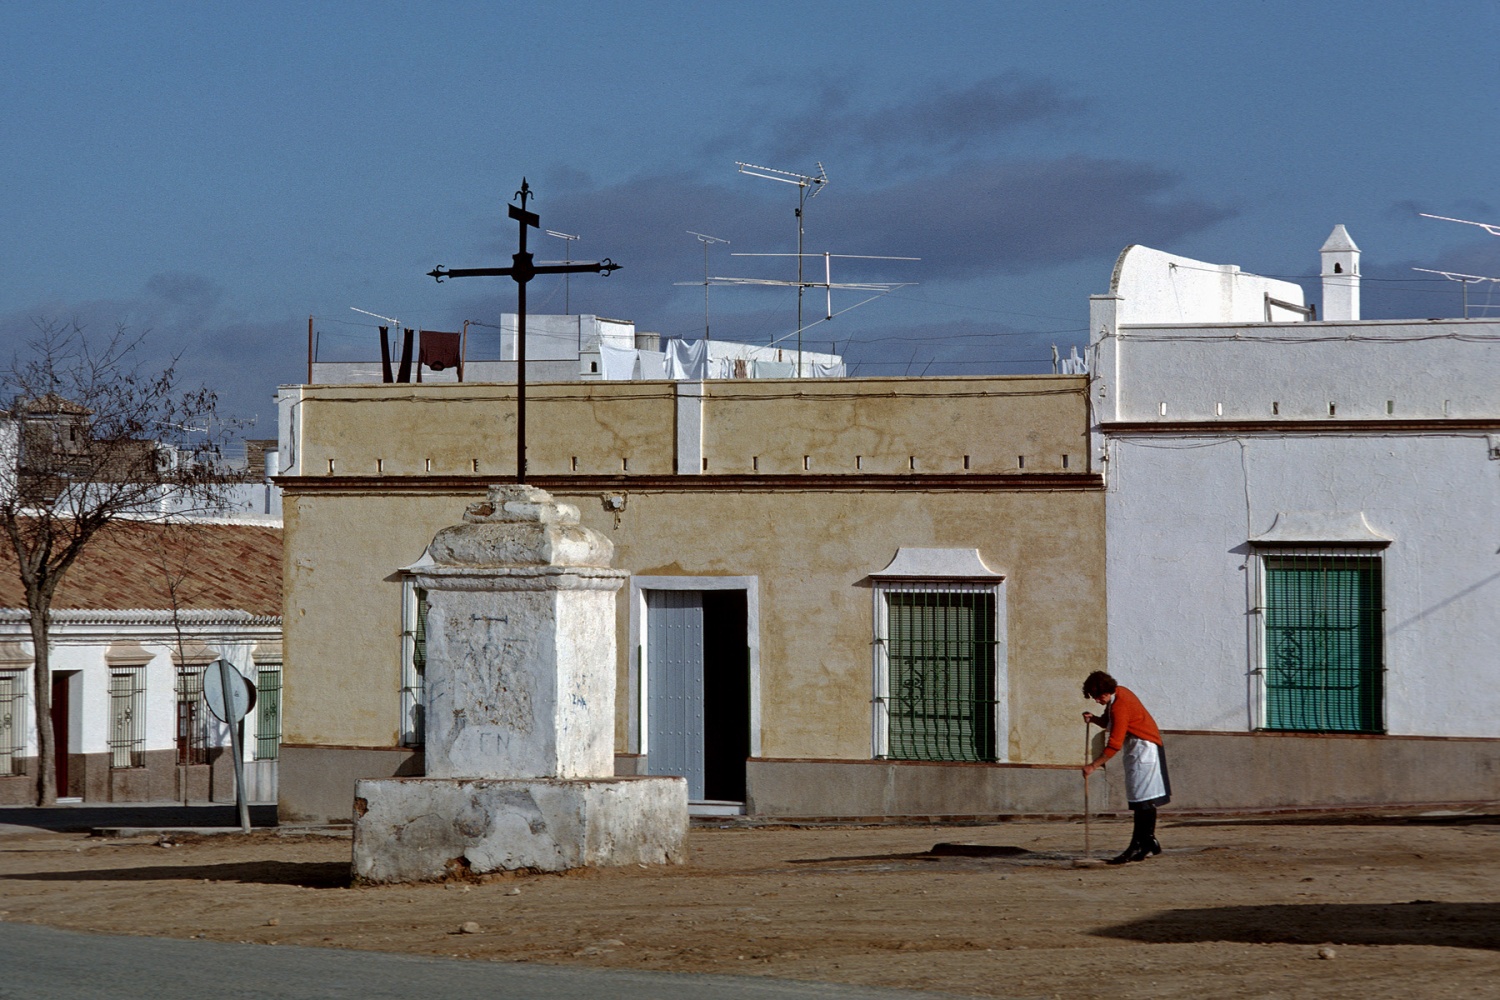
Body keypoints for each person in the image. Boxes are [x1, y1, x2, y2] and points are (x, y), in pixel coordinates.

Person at [1080, 670, 1170, 864]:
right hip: (1137, 747)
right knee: (1142, 799)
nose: (1096, 701)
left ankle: (1138, 844)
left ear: (1105, 692)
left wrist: (1093, 766)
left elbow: (1114, 743)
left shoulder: (1120, 704)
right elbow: (1107, 722)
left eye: (1097, 697)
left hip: (1145, 749)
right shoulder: (1117, 695)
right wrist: (1094, 719)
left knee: (1143, 800)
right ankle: (1148, 842)